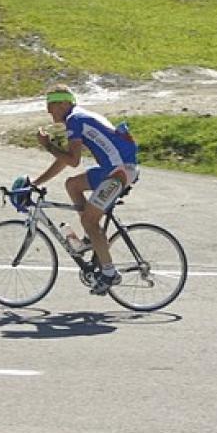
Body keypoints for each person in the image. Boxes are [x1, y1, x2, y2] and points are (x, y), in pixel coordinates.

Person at [30, 85, 139, 295]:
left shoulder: (75, 120)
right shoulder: (77, 118)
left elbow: (72, 160)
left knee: (89, 220)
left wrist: (46, 145)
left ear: (63, 104)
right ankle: (91, 240)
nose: (48, 112)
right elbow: (65, 162)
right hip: (113, 168)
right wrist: (36, 182)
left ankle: (109, 273)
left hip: (120, 171)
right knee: (72, 185)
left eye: (51, 107)